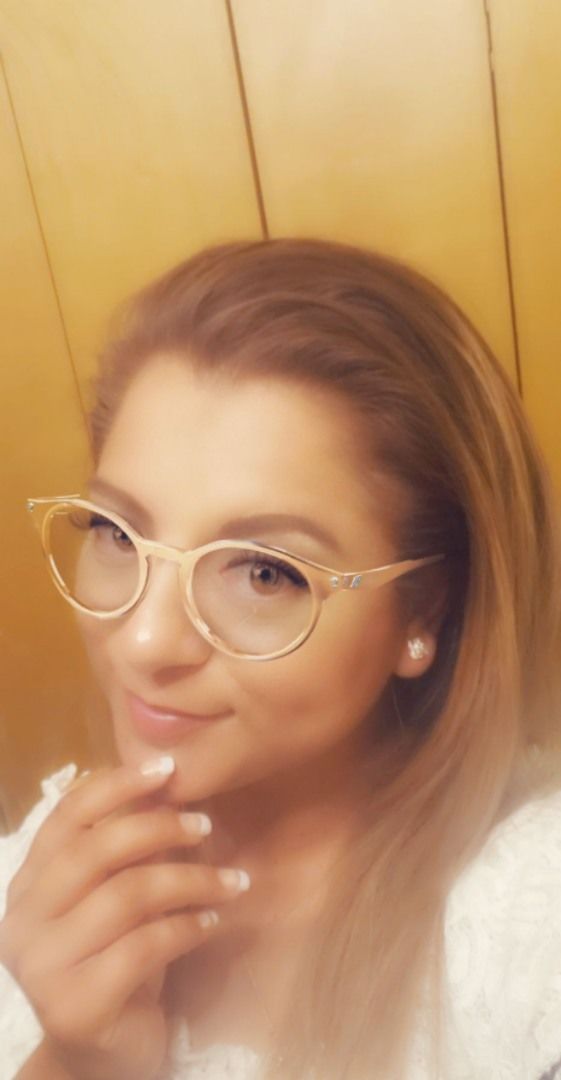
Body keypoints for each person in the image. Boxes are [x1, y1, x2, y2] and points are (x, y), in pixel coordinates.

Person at [1, 239, 561, 1080]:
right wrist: (80, 1063)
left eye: (265, 572)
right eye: (116, 532)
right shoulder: (46, 871)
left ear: (424, 610)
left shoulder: (529, 923)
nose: (143, 641)